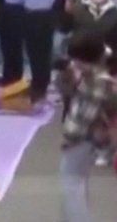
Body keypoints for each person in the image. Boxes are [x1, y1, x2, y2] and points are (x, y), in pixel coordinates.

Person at [56, 32, 117, 222]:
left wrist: (70, 140)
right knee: (77, 184)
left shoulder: (98, 82)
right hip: (86, 139)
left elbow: (86, 114)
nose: (74, 63)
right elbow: (67, 90)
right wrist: (69, 77)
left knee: (71, 186)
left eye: (76, 60)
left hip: (82, 139)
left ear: (86, 59)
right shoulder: (93, 74)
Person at [22, 0, 62, 102]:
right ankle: (36, 82)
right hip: (28, 15)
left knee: (43, 53)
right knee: (31, 52)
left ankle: (42, 86)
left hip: (43, 16)